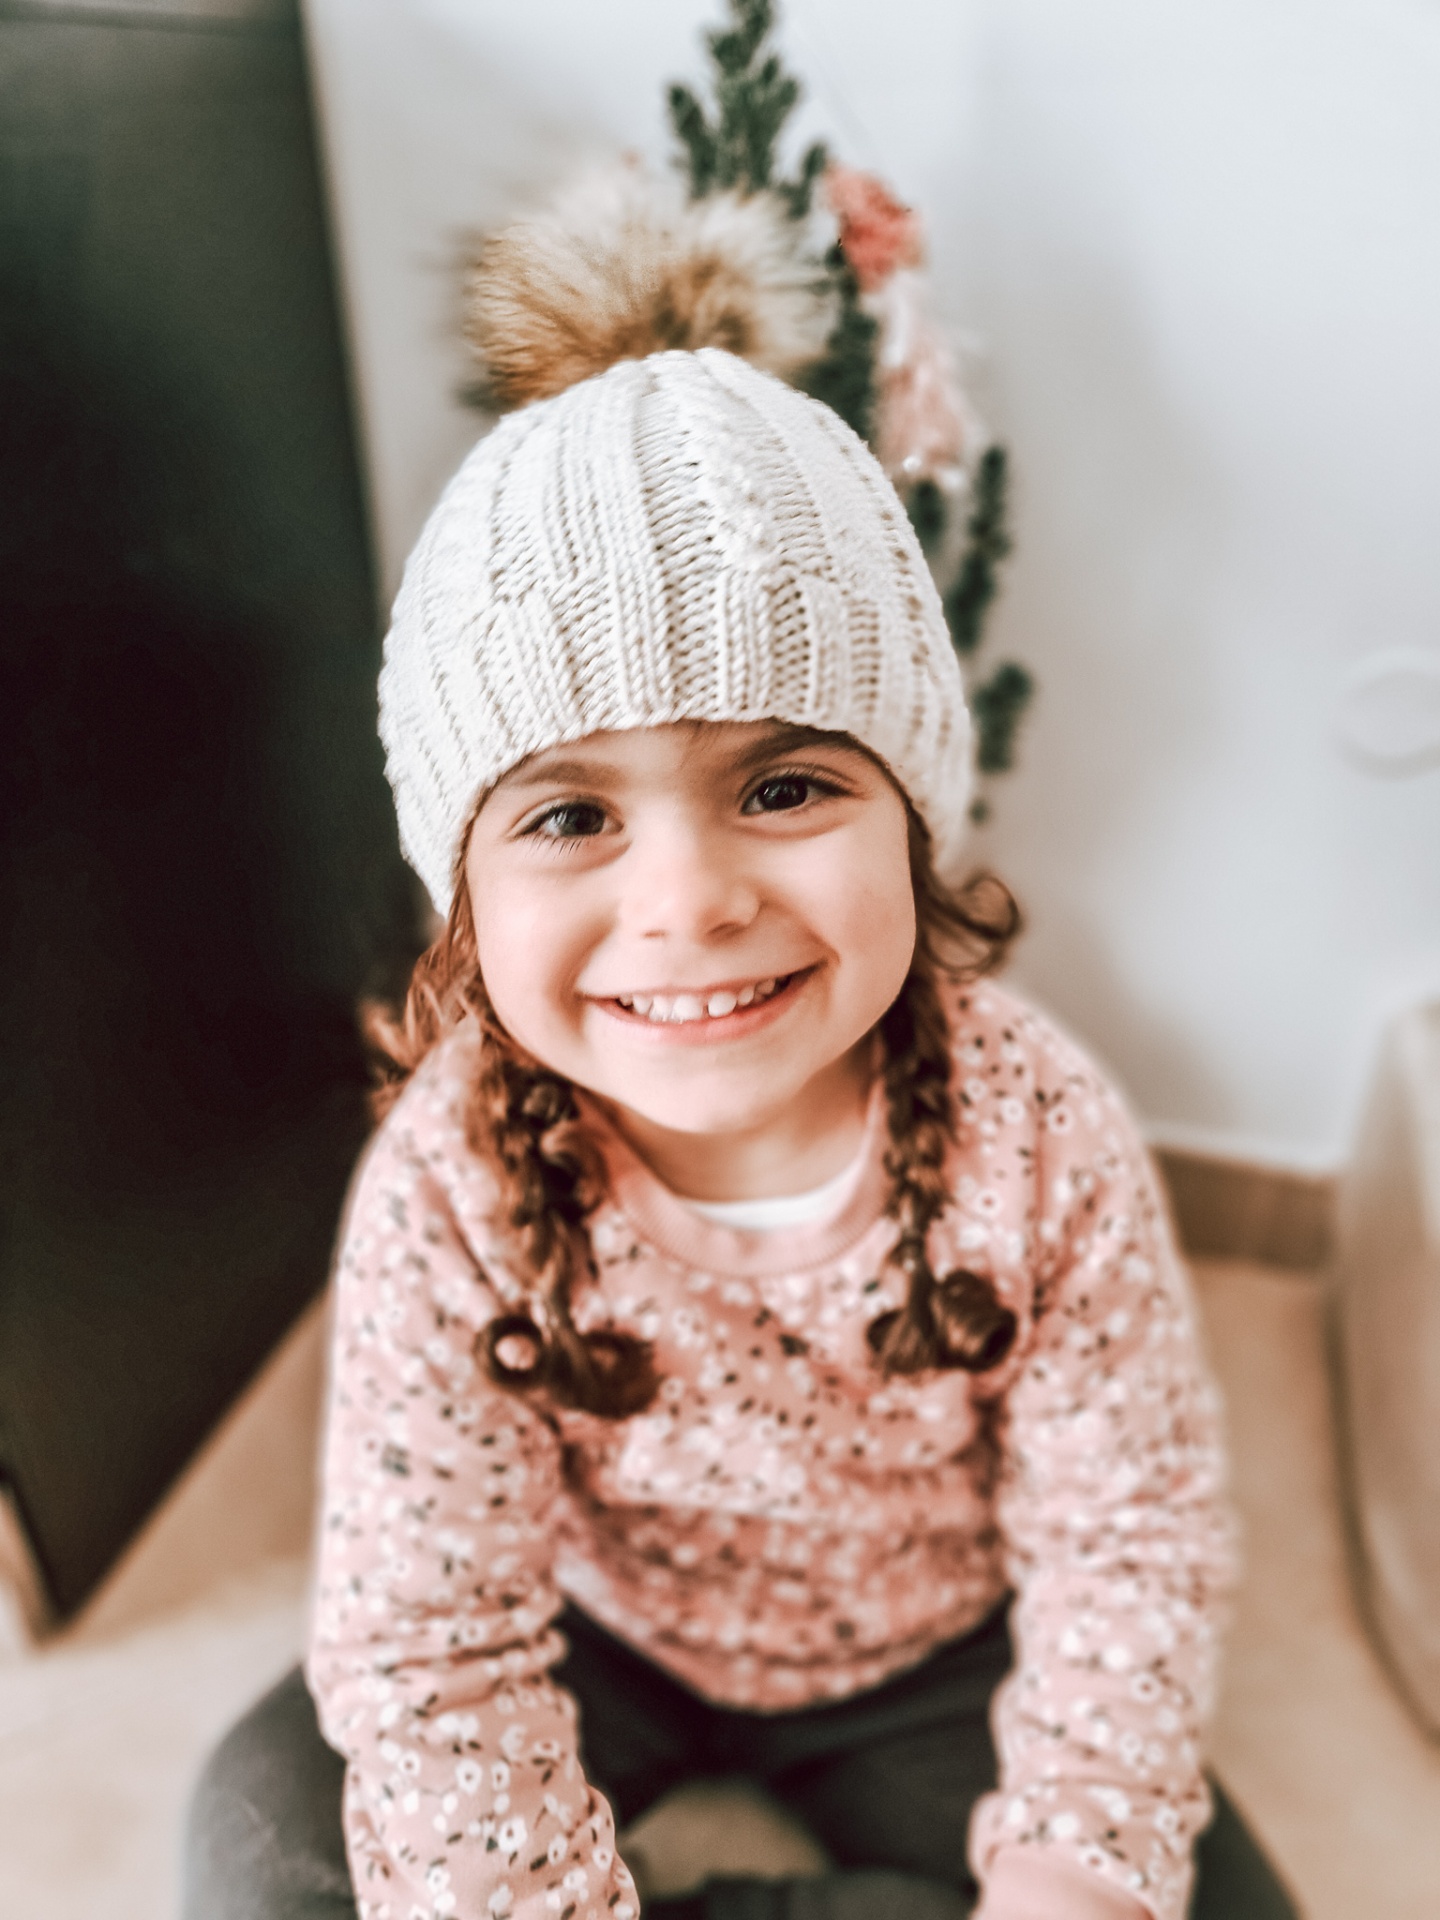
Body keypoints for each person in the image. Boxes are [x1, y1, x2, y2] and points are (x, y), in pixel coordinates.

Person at [185, 348, 1298, 1920]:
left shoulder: (1041, 1131)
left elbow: (1132, 1533)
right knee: (260, 1837)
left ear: (911, 827)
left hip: (932, 1654)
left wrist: (1075, 1867)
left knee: (1193, 1893)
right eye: (572, 817)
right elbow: (427, 1631)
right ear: (466, 894)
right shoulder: (452, 1182)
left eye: (780, 786)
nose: (691, 902)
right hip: (590, 1630)